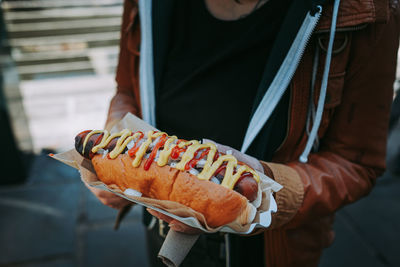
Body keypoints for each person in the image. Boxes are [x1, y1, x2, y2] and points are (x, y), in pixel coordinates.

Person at [86, 0, 400, 266]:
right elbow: (127, 87)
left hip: (272, 251)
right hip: (157, 226)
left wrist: (264, 185)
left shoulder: (366, 10)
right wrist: (119, 145)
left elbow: (355, 163)